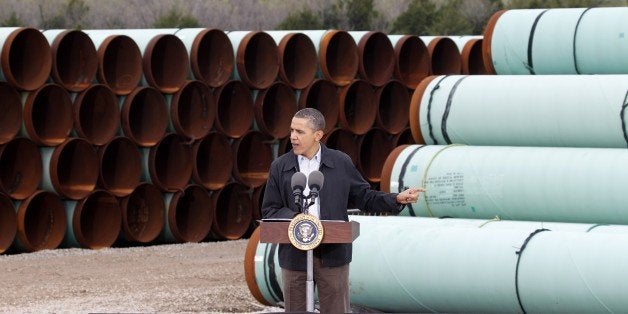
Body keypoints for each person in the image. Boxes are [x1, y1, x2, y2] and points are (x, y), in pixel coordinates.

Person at [261, 108, 424, 313]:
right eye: (292, 130)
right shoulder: (280, 166)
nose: (293, 136)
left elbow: (364, 197)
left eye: (300, 132)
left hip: (332, 254)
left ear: (318, 135)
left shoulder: (340, 163)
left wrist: (396, 198)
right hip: (295, 255)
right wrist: (299, 221)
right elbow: (270, 210)